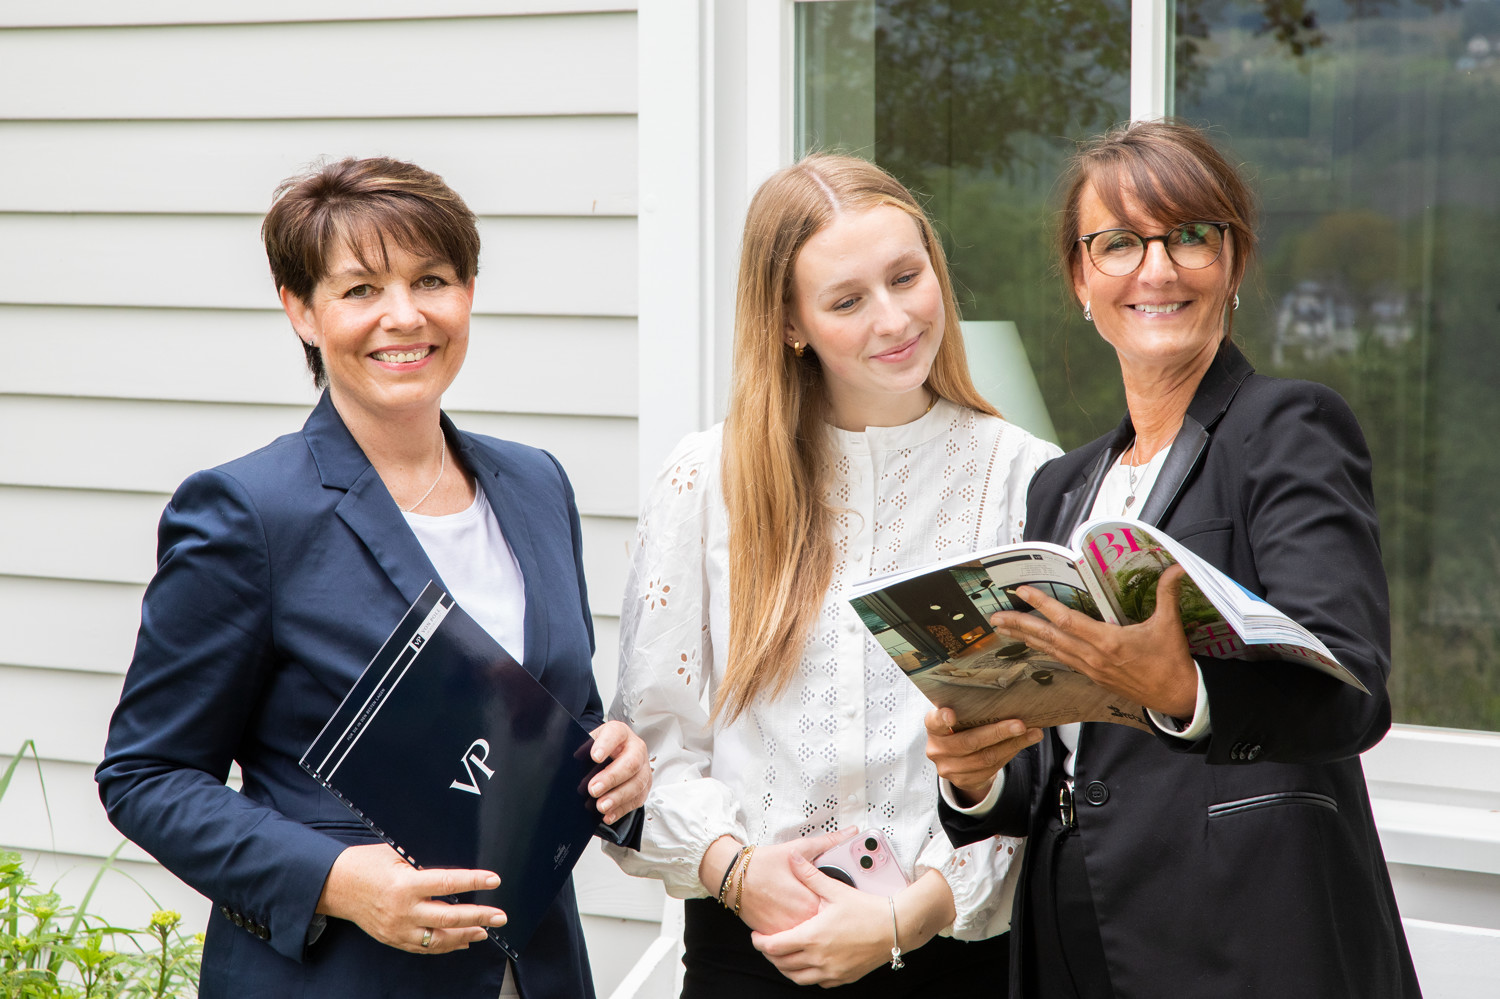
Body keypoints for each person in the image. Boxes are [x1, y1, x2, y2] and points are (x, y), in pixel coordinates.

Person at [95, 157, 651, 999]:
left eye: (432, 279)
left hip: (537, 973)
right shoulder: (249, 512)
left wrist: (614, 767)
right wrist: (339, 880)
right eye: (360, 290)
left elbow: (555, 716)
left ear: (468, 291)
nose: (405, 316)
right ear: (301, 311)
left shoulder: (537, 485)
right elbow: (147, 776)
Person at [925, 120, 1420, 998]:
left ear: (1232, 262)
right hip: (1070, 934)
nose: (1156, 269)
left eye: (1190, 236)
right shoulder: (1061, 488)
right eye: (1118, 243)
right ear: (1082, 279)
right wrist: (981, 774)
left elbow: (1355, 692)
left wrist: (1185, 691)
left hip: (1244, 933)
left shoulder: (1288, 430)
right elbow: (1066, 751)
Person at [605, 153, 1061, 996]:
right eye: (847, 300)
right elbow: (646, 756)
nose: (893, 319)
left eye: (905, 276)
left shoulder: (1027, 480)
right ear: (790, 323)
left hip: (957, 955)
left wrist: (912, 911)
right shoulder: (708, 479)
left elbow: (1059, 764)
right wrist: (738, 871)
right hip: (753, 951)